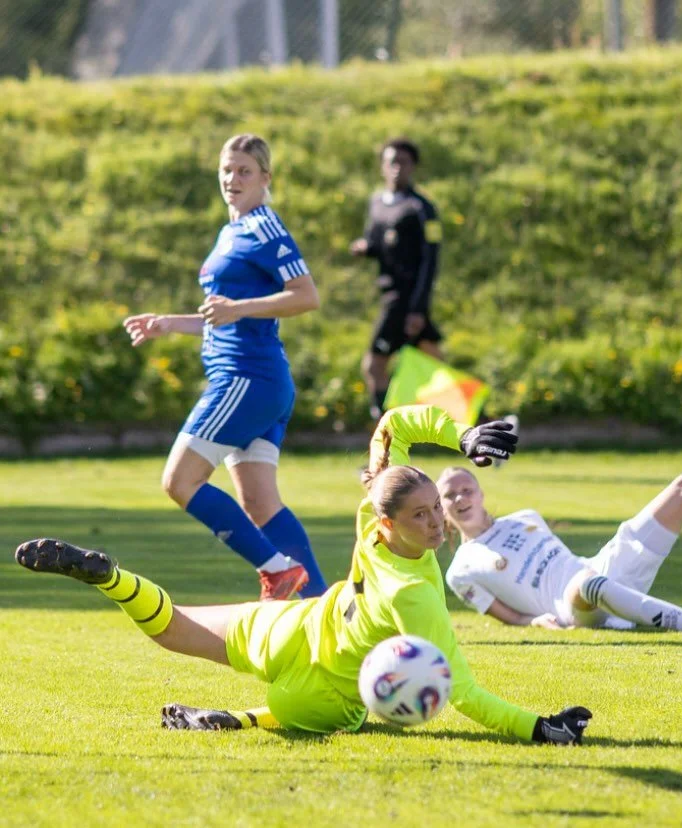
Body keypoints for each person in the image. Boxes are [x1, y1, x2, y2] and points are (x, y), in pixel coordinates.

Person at [14, 406, 592, 745]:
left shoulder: (372, 517)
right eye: (422, 515)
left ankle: (111, 578)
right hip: (327, 690)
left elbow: (392, 425)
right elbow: (460, 690)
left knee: (173, 630)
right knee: (345, 715)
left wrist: (460, 436)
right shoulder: (415, 593)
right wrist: (538, 729)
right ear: (390, 522)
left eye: (436, 510)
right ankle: (240, 718)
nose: (438, 522)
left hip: (294, 627)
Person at [438, 377, 682, 634]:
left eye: (465, 489)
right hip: (572, 604)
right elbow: (508, 617)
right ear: (441, 509)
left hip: (602, 566)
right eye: (449, 495)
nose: (459, 498)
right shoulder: (460, 570)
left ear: (480, 492)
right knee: (590, 584)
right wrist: (535, 621)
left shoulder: (525, 517)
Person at [123, 133, 327, 601]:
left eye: (244, 171)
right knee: (260, 503)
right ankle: (321, 607)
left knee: (179, 481)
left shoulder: (265, 227)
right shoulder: (231, 231)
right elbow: (225, 316)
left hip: (246, 380)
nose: (232, 179)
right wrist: (169, 324)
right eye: (226, 171)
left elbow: (305, 296)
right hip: (257, 381)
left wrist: (240, 308)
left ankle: (279, 571)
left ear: (265, 178)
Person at [350, 137, 444, 420]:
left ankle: (385, 446)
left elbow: (431, 260)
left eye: (403, 162)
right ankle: (492, 427)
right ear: (382, 166)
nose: (396, 168)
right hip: (390, 295)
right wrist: (366, 247)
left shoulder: (422, 208)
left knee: (374, 367)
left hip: (404, 302)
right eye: (391, 161)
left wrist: (417, 308)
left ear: (413, 166)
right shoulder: (377, 202)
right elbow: (377, 241)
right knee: (439, 371)